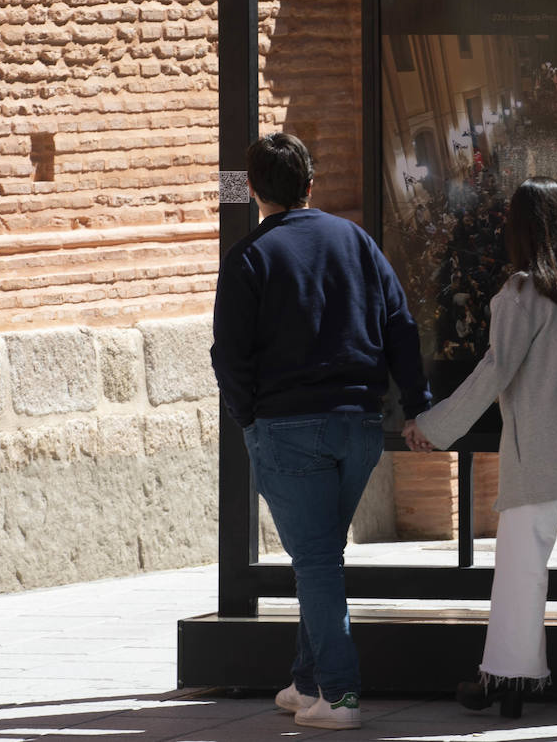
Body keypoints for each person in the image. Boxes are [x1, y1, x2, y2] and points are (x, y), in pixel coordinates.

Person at [211, 133, 431, 730]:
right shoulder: (355, 240)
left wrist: (249, 418)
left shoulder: (250, 256)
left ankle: (338, 695)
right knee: (321, 557)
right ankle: (306, 681)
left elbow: (228, 356)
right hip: (359, 426)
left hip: (288, 428)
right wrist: (418, 403)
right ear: (310, 184)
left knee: (315, 563)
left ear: (254, 191)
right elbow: (400, 325)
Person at [403, 176, 557, 721]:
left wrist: (434, 428)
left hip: (539, 459)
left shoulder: (523, 294)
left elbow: (493, 372)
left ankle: (509, 683)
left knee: (519, 569)